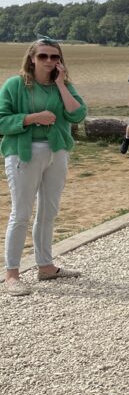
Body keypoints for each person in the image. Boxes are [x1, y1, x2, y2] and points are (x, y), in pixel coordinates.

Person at [1, 39, 87, 297]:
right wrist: (32, 118)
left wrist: (60, 83)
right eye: (43, 56)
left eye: (54, 56)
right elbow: (1, 120)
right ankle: (12, 274)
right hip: (24, 153)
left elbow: (78, 114)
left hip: (57, 151)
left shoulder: (64, 85)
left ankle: (46, 266)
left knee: (49, 211)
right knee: (21, 213)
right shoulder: (15, 85)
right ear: (32, 58)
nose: (49, 61)